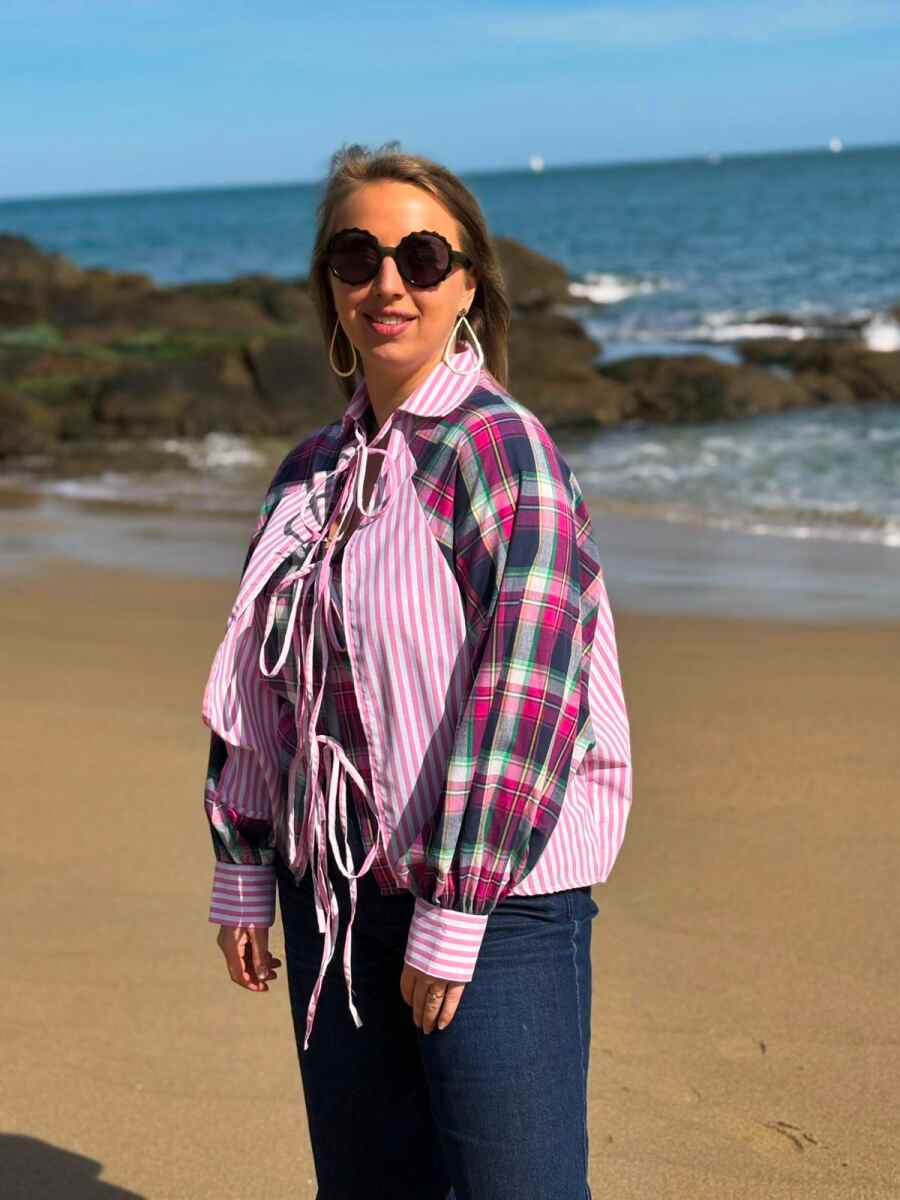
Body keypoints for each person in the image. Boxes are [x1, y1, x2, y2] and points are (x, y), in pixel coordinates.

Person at [200, 141, 633, 1200]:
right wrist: (242, 863)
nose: (387, 283)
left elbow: (530, 687)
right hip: (335, 900)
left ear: (468, 283)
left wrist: (456, 907)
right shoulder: (307, 475)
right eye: (357, 256)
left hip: (499, 905)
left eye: (422, 257)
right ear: (330, 287)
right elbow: (262, 681)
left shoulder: (499, 450)